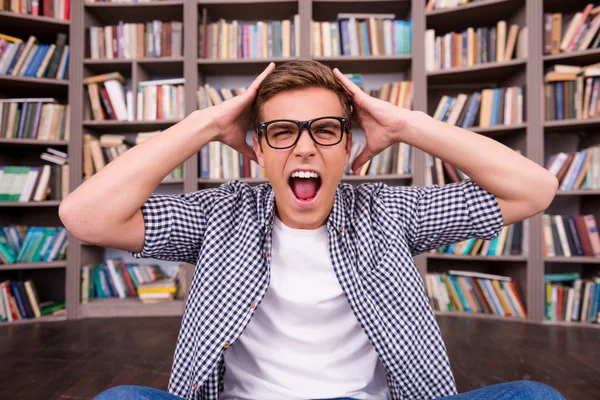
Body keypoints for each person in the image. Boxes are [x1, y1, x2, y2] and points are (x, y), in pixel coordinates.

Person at [59, 60, 564, 400]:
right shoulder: (222, 214)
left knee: (535, 397)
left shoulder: (388, 211)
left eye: (325, 131)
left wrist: (407, 124)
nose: (305, 149)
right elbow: (86, 217)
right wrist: (206, 125)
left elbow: (533, 189)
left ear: (348, 147)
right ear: (257, 150)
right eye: (282, 132)